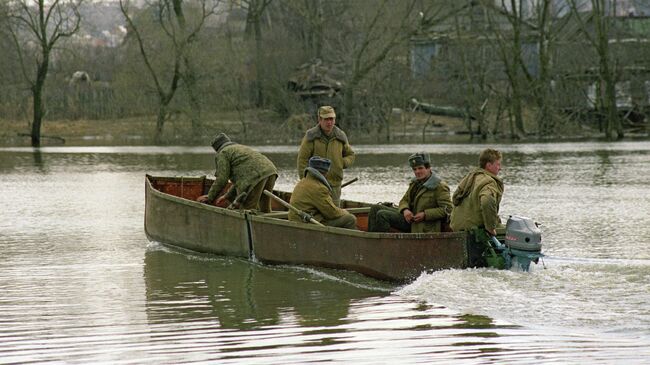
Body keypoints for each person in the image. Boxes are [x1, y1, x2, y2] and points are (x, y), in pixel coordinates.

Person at [368, 152, 452, 233]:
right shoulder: (415, 183)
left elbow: (448, 209)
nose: (417, 172)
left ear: (428, 168)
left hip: (423, 225)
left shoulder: (439, 186)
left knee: (382, 215)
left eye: (420, 168)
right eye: (414, 169)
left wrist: (425, 214)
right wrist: (405, 210)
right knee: (375, 208)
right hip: (410, 219)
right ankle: (370, 240)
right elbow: (404, 200)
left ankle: (379, 244)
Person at [197, 133, 278, 213]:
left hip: (254, 176)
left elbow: (222, 179)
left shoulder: (223, 153)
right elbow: (239, 180)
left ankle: (250, 225)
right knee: (265, 209)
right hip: (271, 171)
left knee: (247, 211)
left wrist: (210, 197)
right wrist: (227, 196)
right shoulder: (238, 148)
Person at [297, 106, 355, 206]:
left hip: (335, 185)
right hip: (315, 185)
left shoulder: (340, 136)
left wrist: (341, 163)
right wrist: (305, 181)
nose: (329, 122)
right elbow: (302, 161)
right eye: (326, 119)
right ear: (319, 119)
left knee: (335, 215)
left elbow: (350, 155)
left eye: (331, 119)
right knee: (317, 214)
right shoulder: (311, 136)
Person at [288, 156, 357, 229]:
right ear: (324, 173)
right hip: (308, 223)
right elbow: (331, 213)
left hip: (296, 220)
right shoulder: (319, 188)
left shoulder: (303, 182)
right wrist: (344, 212)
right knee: (350, 219)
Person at [449, 148, 504, 236]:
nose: (500, 168)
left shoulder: (469, 178)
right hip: (473, 230)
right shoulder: (489, 182)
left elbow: (455, 198)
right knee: (512, 232)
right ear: (489, 165)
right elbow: (487, 201)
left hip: (457, 227)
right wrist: (491, 228)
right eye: (498, 164)